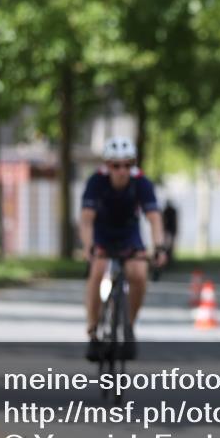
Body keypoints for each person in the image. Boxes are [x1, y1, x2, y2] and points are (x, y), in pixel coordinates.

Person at [79, 136, 167, 361]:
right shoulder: (96, 182)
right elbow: (87, 220)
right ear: (107, 166)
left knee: (138, 274)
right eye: (116, 166)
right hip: (102, 232)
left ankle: (128, 325)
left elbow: (154, 218)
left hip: (129, 234)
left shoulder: (142, 183)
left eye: (127, 165)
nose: (122, 171)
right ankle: (93, 332)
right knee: (97, 271)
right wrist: (88, 247)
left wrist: (159, 247)